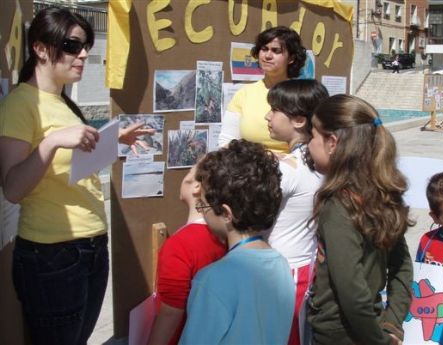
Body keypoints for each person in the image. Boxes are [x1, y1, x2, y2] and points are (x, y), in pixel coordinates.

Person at [0, 7, 150, 345]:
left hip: (90, 245)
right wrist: (52, 143)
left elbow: (71, 164)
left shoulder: (62, 102)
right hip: (52, 253)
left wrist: (114, 138)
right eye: (71, 46)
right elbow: (12, 188)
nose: (82, 55)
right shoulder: (20, 105)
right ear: (40, 48)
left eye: (85, 47)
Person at [306, 95, 414, 345]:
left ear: (332, 143)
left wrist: (381, 340)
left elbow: (351, 293)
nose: (308, 144)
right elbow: (402, 267)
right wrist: (391, 323)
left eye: (312, 136)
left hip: (340, 335)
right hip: (373, 328)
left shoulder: (338, 206)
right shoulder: (384, 196)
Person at [179, 139, 295, 345]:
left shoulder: (212, 279)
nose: (202, 213)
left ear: (225, 213)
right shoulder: (282, 264)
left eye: (203, 206)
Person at [264, 79, 329, 345]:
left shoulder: (289, 169)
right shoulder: (321, 162)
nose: (267, 116)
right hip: (301, 266)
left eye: (275, 109)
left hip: (283, 271)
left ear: (299, 120)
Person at [147, 165, 226, 345]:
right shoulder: (227, 235)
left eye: (188, 172)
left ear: (197, 186)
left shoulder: (180, 245)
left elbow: (170, 313)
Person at [218, 26, 307, 152]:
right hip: (249, 167)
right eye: (264, 49)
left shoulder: (302, 95)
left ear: (291, 58)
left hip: (290, 167)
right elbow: (226, 140)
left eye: (276, 51)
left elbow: (312, 142)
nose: (268, 56)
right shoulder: (244, 93)